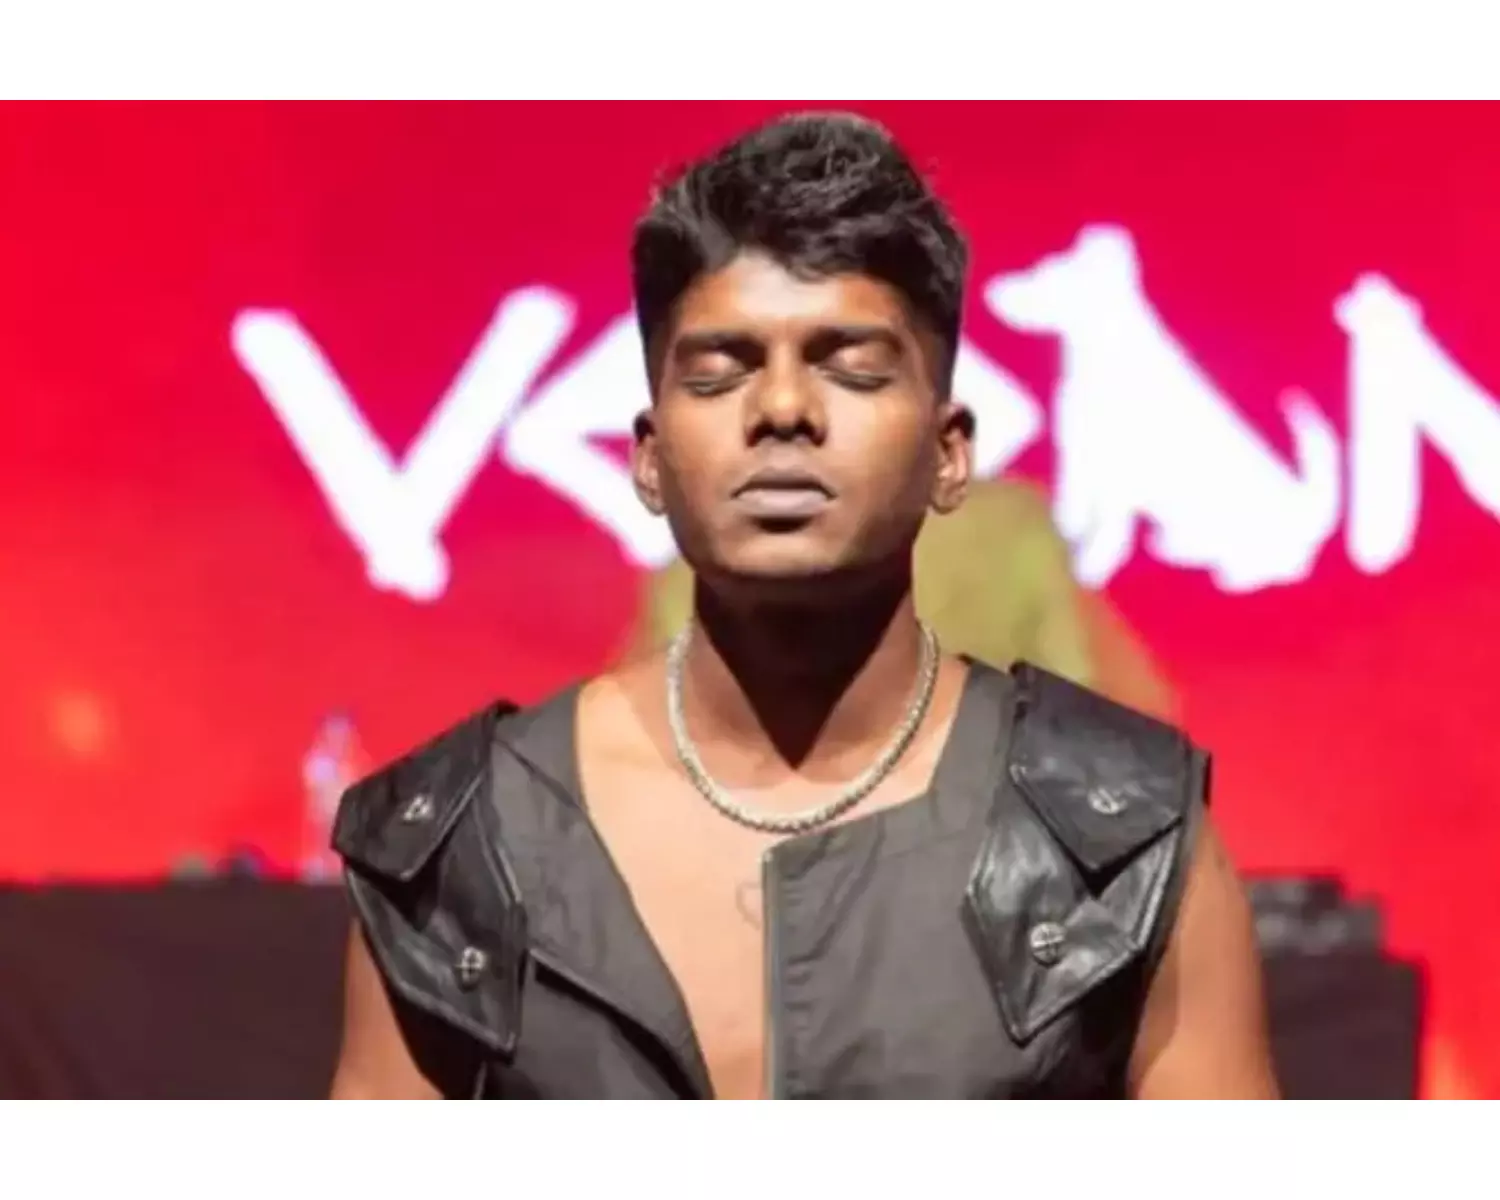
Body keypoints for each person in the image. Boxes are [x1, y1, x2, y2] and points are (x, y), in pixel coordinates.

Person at [328, 112, 1279, 1099]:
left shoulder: (1124, 837)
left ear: (949, 453)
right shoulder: (459, 845)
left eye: (851, 367)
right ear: (648, 459)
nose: (783, 409)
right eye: (720, 372)